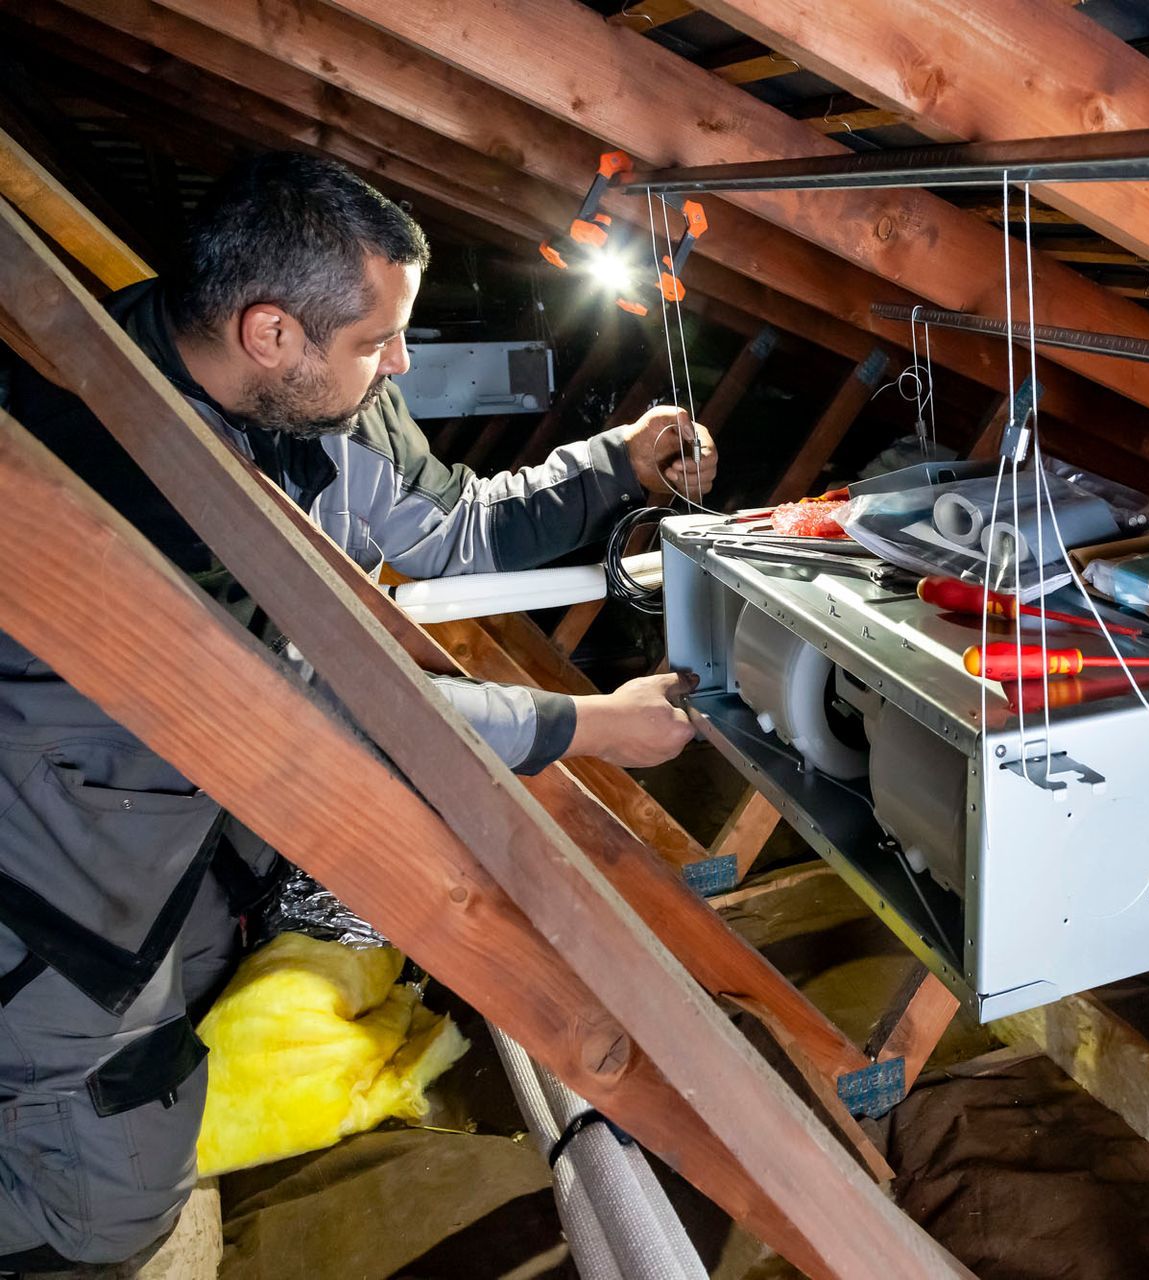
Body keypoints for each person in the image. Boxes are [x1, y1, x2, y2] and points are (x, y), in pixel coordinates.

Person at [0, 152, 718, 1273]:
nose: (396, 369)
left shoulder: (313, 399)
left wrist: (616, 465)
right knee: (107, 1211)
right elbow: (336, 721)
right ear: (271, 332)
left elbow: (454, 527)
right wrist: (590, 724)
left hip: (190, 834)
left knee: (196, 1026)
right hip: (52, 880)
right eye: (376, 342)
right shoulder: (107, 478)